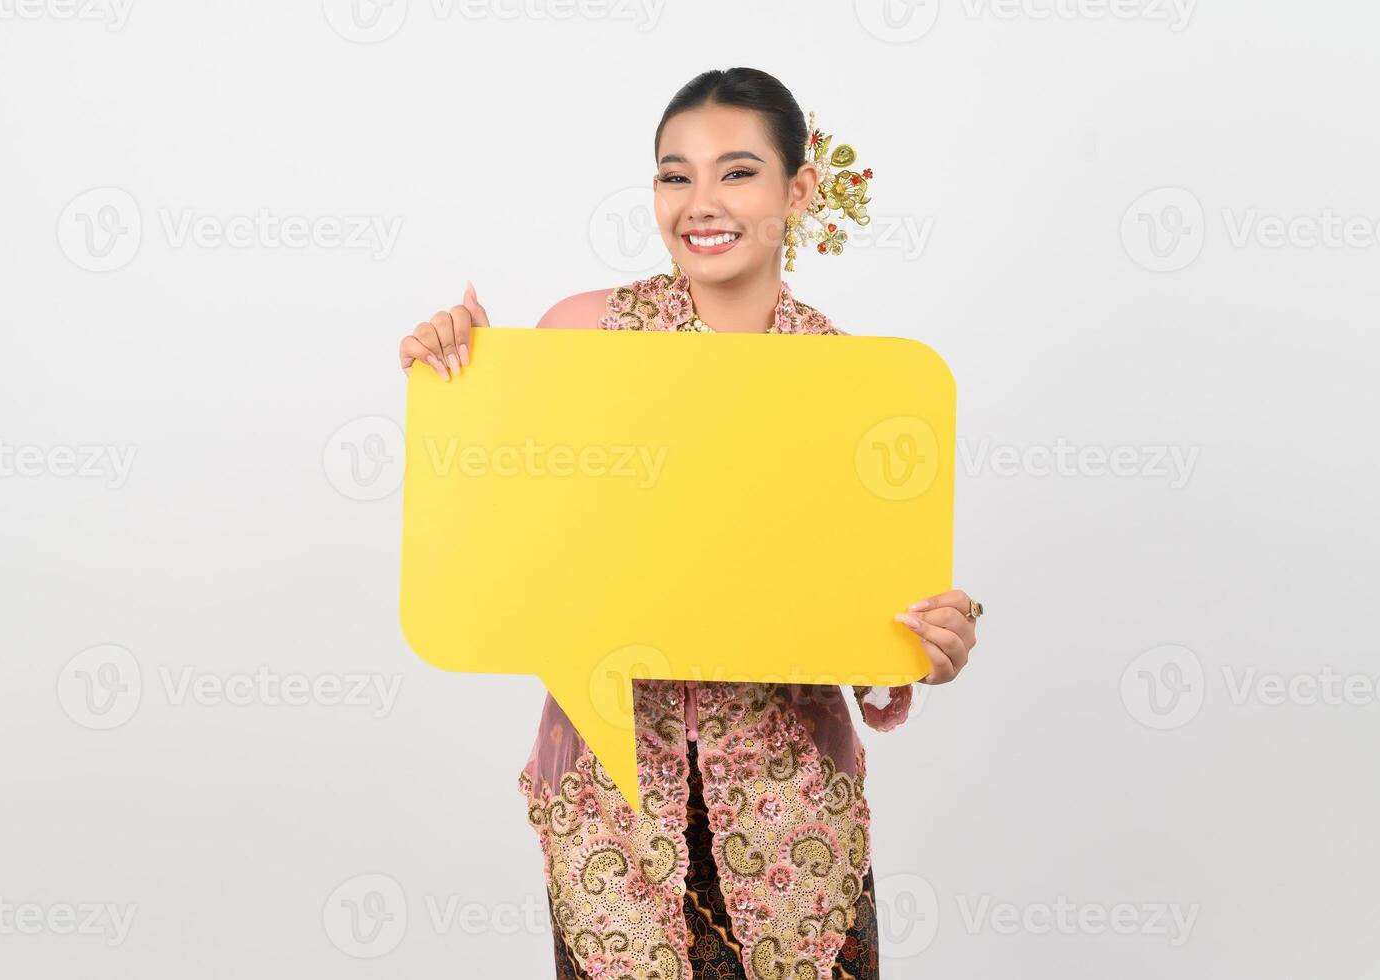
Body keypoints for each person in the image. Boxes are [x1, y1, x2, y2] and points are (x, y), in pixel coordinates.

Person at [396, 66, 984, 980]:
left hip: (790, 812)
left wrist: (927, 639)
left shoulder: (851, 386)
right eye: (675, 174)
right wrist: (470, 382)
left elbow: (857, 610)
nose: (700, 202)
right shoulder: (581, 339)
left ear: (798, 190)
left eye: (736, 172)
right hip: (613, 803)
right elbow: (502, 538)